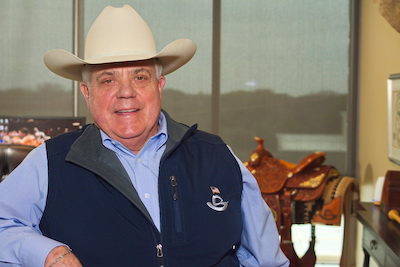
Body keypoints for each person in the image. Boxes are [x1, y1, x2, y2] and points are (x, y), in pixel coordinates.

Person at [0, 5, 289, 267]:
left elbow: (266, 260)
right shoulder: (50, 161)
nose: (126, 92)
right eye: (108, 79)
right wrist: (48, 253)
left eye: (140, 77)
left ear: (159, 86)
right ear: (87, 93)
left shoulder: (217, 155)